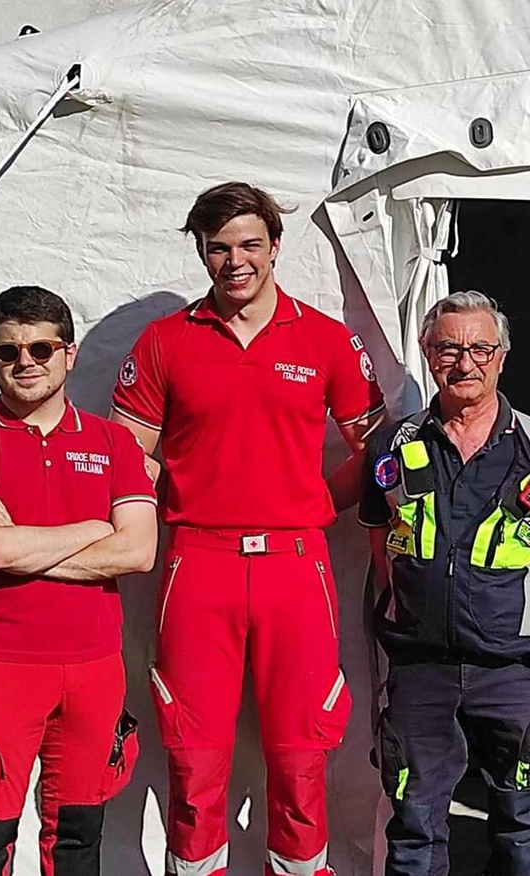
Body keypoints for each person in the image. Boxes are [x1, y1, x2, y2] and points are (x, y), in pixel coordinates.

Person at [111, 182, 386, 876]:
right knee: (192, 754)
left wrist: (316, 504)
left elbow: (376, 449)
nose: (236, 261)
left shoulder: (324, 339)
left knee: (301, 753)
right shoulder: (166, 340)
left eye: (249, 245)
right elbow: (127, 454)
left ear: (275, 247)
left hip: (297, 565)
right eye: (219, 248)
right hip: (197, 561)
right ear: (203, 253)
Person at [360, 291, 530, 876]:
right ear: (427, 355)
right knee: (414, 828)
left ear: (502, 357)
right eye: (449, 348)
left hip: (512, 674)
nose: (466, 362)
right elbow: (378, 538)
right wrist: (412, 607)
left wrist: (519, 611)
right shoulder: (394, 444)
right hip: (420, 671)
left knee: (517, 831)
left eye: (480, 348)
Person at [0, 286, 157, 875]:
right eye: (8, 352)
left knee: (78, 839)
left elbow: (138, 551)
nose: (25, 363)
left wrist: (19, 549)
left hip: (92, 667)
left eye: (40, 348)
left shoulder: (113, 442)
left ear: (69, 353)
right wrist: (92, 528)